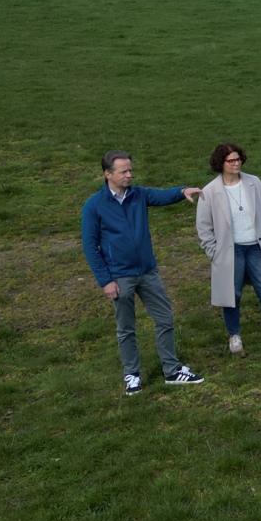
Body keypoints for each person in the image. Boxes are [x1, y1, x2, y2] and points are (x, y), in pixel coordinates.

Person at [80, 150, 204, 393]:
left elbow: (160, 196)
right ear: (108, 174)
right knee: (126, 327)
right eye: (123, 171)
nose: (129, 175)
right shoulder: (94, 206)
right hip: (120, 276)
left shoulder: (139, 195)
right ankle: (132, 374)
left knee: (165, 319)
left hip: (148, 272)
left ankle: (172, 370)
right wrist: (106, 281)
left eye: (130, 170)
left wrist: (182, 191)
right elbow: (89, 247)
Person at [195, 142, 261, 352]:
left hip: (257, 247)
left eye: (238, 159)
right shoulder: (209, 191)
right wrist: (214, 252)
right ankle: (234, 336)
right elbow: (204, 228)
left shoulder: (254, 182)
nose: (237, 163)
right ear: (221, 163)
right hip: (229, 251)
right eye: (231, 160)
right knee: (231, 295)